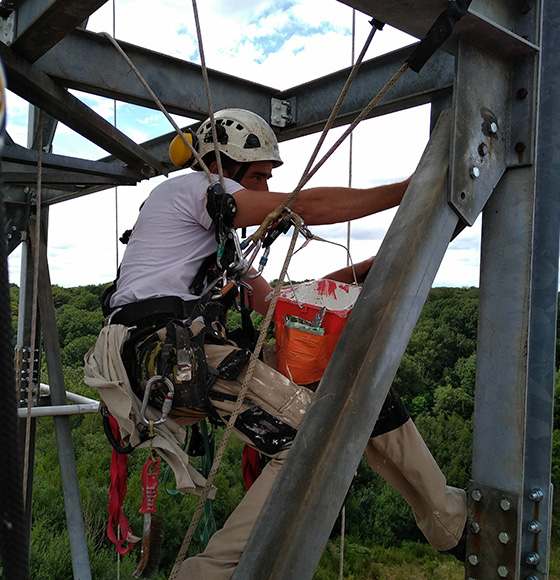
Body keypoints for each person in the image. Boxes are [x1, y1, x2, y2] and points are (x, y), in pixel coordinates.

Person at [102, 108, 467, 579]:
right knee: (309, 439)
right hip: (161, 352)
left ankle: (448, 521)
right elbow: (300, 206)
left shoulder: (221, 247)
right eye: (255, 177)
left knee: (349, 378)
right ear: (219, 166)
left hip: (184, 354)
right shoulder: (188, 190)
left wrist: (384, 260)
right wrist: (412, 191)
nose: (262, 190)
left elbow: (279, 306)